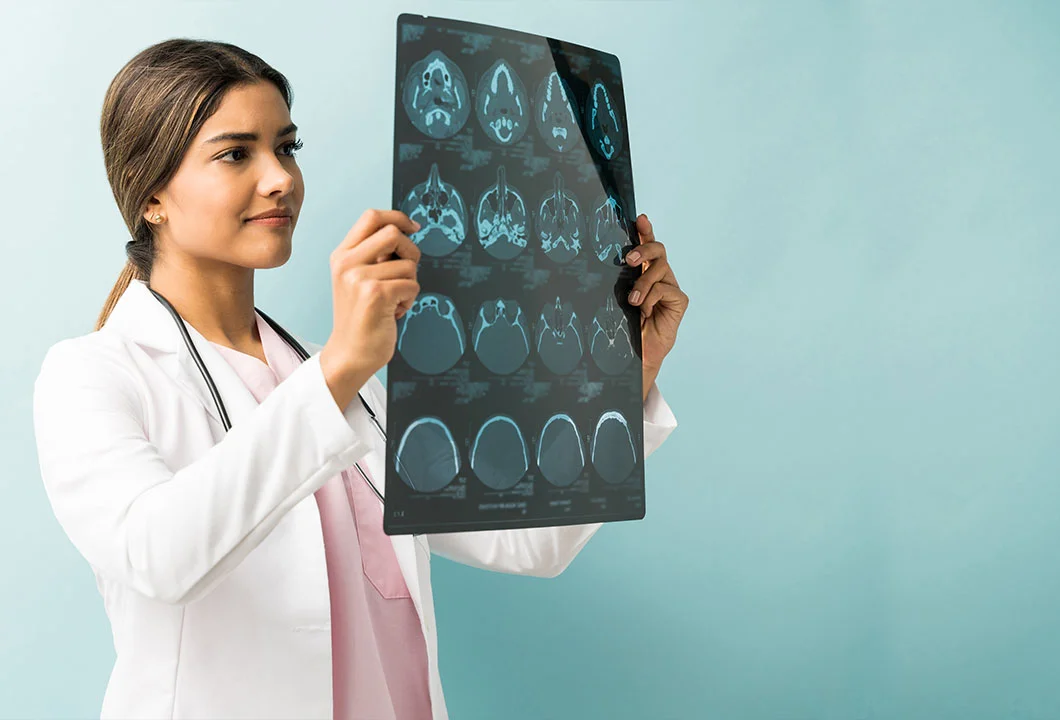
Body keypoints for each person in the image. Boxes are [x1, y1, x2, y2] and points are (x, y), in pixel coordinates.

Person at [31, 39, 688, 720]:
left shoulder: (343, 378)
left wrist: (628, 376)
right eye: (237, 154)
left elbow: (529, 541)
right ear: (153, 196)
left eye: (286, 147)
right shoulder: (92, 376)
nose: (280, 178)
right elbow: (160, 558)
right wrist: (342, 366)